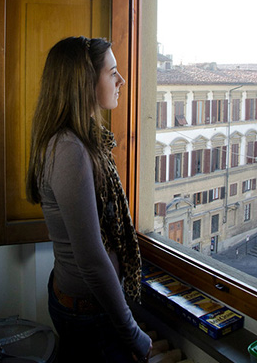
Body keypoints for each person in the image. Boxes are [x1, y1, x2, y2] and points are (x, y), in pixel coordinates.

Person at [26, 36, 152, 362]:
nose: (121, 79)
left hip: (85, 306)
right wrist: (131, 331)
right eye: (112, 72)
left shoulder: (82, 141)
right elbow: (91, 258)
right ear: (85, 83)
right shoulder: (70, 150)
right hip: (89, 316)